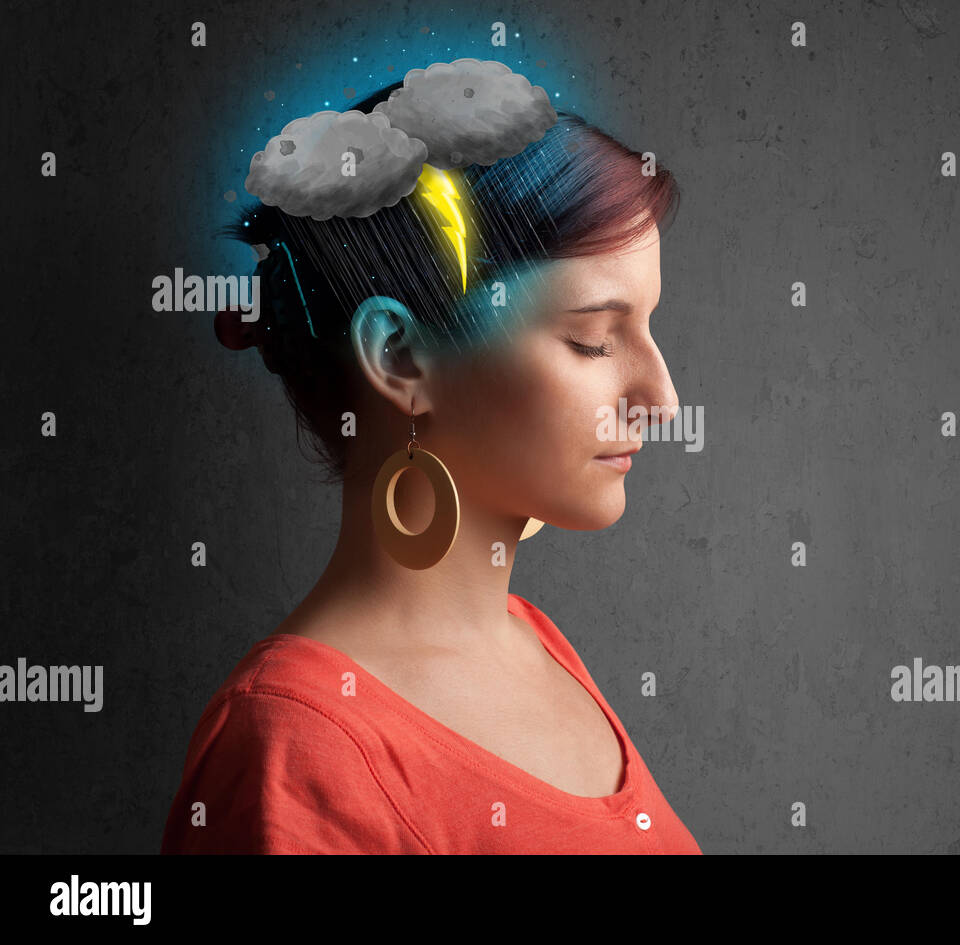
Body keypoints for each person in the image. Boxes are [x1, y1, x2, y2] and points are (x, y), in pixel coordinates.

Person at [160, 67, 701, 853]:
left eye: (647, 327)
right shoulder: (297, 753)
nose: (664, 400)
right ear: (402, 357)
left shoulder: (539, 644)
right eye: (592, 339)